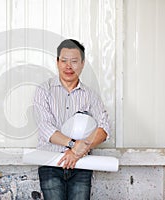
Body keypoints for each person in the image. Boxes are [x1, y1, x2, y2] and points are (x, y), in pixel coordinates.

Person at [33, 39, 110, 200]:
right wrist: (74, 146)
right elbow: (45, 127)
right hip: (50, 163)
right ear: (57, 62)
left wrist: (78, 151)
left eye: (74, 61)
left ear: (82, 63)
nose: (69, 66)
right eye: (64, 61)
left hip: (82, 165)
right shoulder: (43, 90)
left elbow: (104, 129)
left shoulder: (90, 95)